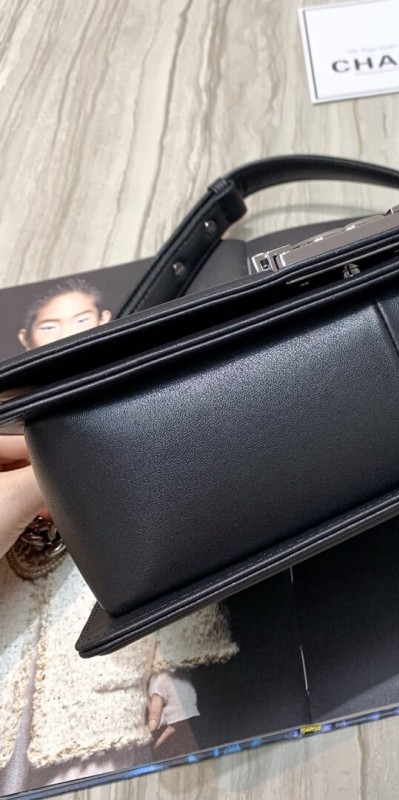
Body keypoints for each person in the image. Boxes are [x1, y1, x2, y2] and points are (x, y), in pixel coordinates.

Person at [0, 279, 238, 795]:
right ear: (25, 337)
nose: (66, 333)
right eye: (50, 325)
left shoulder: (136, 400)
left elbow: (176, 546)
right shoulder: (12, 415)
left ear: (105, 321)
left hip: (100, 697)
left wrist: (175, 677)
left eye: (81, 320)